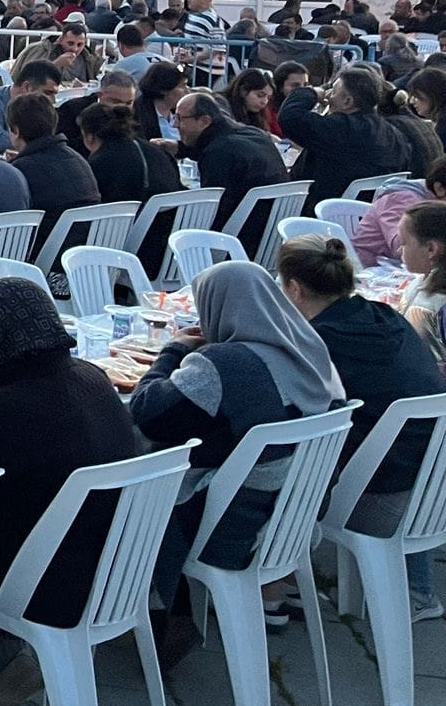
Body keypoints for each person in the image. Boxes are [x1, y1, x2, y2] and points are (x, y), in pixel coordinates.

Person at [0, 277, 143, 706]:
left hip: (40, 578)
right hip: (109, 561)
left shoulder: (4, 409)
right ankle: (23, 658)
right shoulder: (93, 378)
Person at [129, 261, 343, 640]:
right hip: (291, 518)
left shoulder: (224, 363)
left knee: (136, 476)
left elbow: (148, 413)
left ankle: (136, 600)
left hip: (231, 530)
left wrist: (173, 351)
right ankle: (271, 591)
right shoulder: (310, 350)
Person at [278, 234, 444, 618]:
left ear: (294, 289)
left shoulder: (318, 342)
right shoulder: (385, 316)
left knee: (268, 460)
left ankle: (274, 580)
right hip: (432, 482)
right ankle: (413, 589)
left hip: (382, 496)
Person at [172, 89, 290, 252]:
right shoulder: (253, 134)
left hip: (236, 243)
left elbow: (211, 211)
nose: (175, 124)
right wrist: (181, 149)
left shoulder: (218, 152)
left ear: (204, 121)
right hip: (272, 238)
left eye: (180, 118)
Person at [282, 67, 412, 211]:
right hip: (367, 213)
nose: (328, 96)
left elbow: (290, 117)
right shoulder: (394, 135)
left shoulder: (341, 128)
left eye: (333, 91)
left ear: (347, 102)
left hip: (321, 211)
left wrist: (311, 93)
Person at [5, 91, 99, 231]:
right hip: (90, 237)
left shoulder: (21, 171)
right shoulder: (78, 159)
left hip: (50, 241)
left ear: (16, 131)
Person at [0, 59, 62, 155]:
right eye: (48, 93)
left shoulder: (34, 108)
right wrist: (42, 147)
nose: (53, 101)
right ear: (27, 87)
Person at [398, 202, 446, 371]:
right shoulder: (420, 283)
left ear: (431, 249)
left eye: (404, 243)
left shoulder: (438, 305)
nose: (399, 250)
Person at [226, 67, 282, 136]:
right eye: (260, 95)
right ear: (243, 90)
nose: (265, 102)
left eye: (268, 98)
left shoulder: (259, 115)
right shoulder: (222, 105)